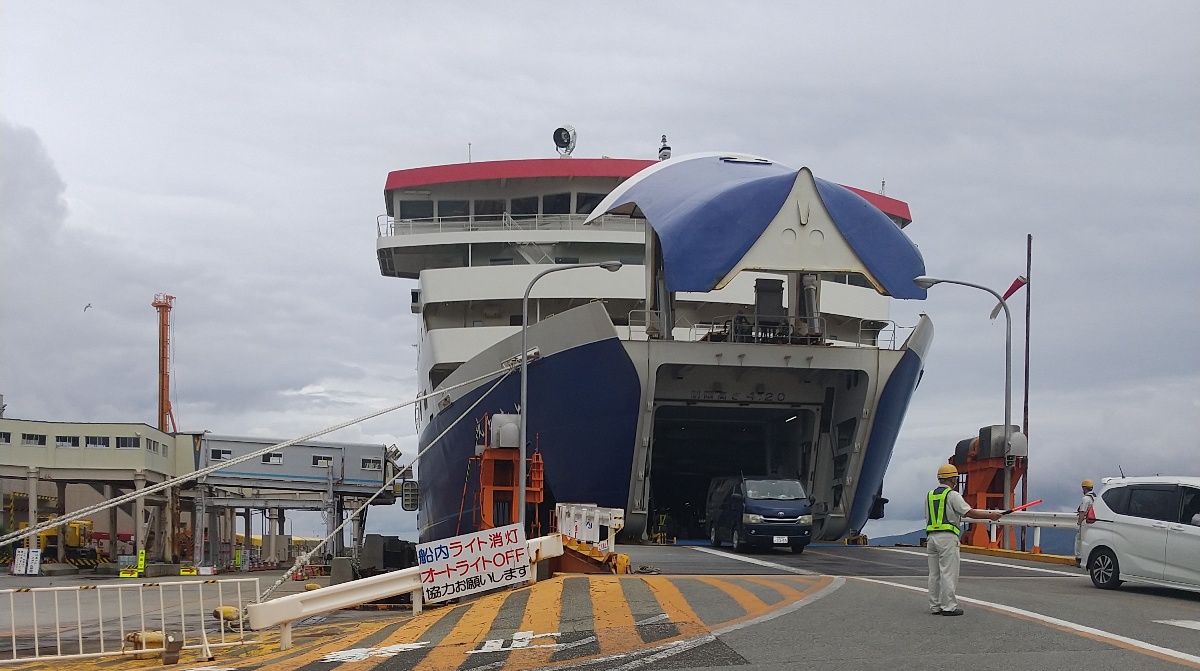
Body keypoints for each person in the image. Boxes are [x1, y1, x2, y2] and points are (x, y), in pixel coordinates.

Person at [927, 463, 1003, 616]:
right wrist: (991, 516)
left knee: (934, 574)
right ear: (953, 479)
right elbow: (968, 512)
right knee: (948, 573)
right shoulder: (953, 495)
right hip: (947, 538)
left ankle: (935, 606)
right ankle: (949, 607)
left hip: (931, 538)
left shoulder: (930, 495)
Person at [1074, 479, 1096, 562]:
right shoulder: (1095, 497)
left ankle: (1080, 558)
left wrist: (1079, 522)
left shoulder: (1085, 499)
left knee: (1080, 539)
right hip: (1093, 521)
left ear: (1084, 488)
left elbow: (1082, 511)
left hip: (1085, 522)